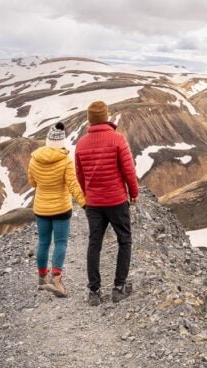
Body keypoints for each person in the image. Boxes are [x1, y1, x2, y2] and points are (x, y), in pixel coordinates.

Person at [74, 101, 139, 306]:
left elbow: (79, 175)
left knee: (95, 243)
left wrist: (89, 194)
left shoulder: (81, 143)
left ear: (90, 119)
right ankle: (119, 288)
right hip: (116, 200)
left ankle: (94, 291)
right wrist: (134, 192)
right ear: (106, 117)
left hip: (94, 203)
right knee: (124, 240)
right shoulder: (117, 139)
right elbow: (128, 170)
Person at [27, 122, 86, 298]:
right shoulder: (65, 160)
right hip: (61, 208)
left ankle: (41, 278)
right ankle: (56, 279)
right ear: (61, 142)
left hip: (41, 208)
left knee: (43, 242)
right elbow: (73, 185)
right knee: (60, 242)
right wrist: (84, 203)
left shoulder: (34, 158)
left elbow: (32, 182)